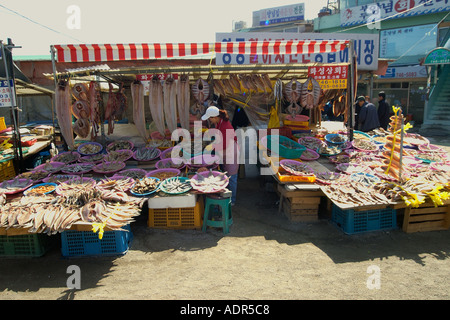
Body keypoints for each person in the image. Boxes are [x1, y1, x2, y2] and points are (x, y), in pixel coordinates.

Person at [201, 106, 239, 206]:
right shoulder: (219, 122)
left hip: (231, 151)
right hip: (225, 151)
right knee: (227, 175)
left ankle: (232, 200)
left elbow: (224, 144)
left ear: (215, 117)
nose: (210, 120)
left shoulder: (225, 126)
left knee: (232, 177)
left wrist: (212, 148)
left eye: (210, 118)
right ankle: (227, 194)